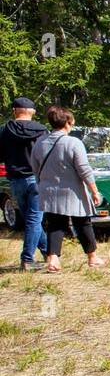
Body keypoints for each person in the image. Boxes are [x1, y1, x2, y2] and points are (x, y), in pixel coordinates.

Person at [29, 106, 103, 272]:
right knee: (83, 222)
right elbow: (84, 169)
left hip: (48, 190)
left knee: (55, 224)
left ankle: (53, 260)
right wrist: (94, 191)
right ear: (68, 123)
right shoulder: (73, 142)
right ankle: (92, 257)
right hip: (73, 191)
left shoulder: (40, 142)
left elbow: (34, 167)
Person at [0, 96, 49, 271]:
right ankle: (27, 259)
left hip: (15, 180)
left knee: (31, 219)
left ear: (14, 111)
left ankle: (49, 253)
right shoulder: (42, 131)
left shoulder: (4, 130)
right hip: (37, 180)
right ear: (33, 112)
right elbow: (48, 155)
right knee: (34, 220)